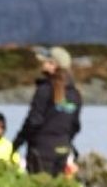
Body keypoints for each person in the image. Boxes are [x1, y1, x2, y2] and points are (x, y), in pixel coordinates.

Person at [12, 46, 82, 176]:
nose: (42, 64)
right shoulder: (75, 94)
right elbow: (75, 126)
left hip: (41, 150)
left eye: (45, 61)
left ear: (53, 65)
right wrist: (64, 141)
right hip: (63, 149)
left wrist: (16, 144)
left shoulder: (44, 90)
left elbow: (33, 121)